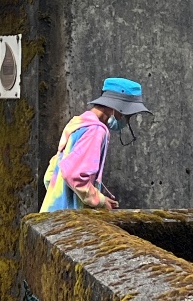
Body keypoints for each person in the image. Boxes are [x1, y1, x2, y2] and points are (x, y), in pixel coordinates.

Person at [39, 77, 150, 212]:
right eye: (128, 115)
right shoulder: (95, 130)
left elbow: (50, 176)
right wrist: (99, 201)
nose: (126, 120)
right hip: (70, 220)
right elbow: (75, 175)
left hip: (52, 214)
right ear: (118, 108)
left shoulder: (77, 124)